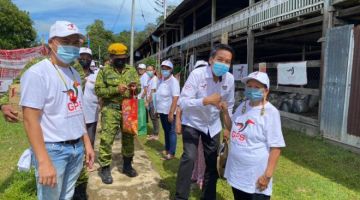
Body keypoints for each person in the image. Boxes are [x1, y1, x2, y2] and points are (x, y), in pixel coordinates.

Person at [19, 21, 95, 200]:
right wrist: (44, 161)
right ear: (51, 43)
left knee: (67, 195)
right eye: (66, 40)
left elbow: (78, 111)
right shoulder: (38, 74)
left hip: (76, 149)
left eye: (76, 42)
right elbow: (30, 120)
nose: (72, 46)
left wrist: (87, 143)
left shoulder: (75, 74)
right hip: (53, 150)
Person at [175, 44, 235, 200]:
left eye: (227, 62)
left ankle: (208, 197)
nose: (224, 64)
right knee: (189, 157)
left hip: (213, 125)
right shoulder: (197, 74)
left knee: (211, 162)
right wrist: (205, 100)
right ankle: (180, 197)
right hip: (193, 122)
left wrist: (227, 127)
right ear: (211, 60)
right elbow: (183, 101)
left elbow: (230, 104)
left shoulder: (229, 79)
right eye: (220, 59)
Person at [221, 71, 285, 200]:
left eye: (257, 87)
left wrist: (267, 176)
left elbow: (276, 147)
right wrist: (225, 113)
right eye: (249, 86)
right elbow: (232, 127)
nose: (251, 90)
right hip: (237, 172)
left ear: (266, 91)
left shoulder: (271, 112)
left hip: (255, 176)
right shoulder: (243, 106)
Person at [95, 42, 140, 184]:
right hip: (111, 108)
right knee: (107, 138)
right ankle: (105, 168)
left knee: (128, 138)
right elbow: (98, 91)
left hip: (129, 107)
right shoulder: (104, 71)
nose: (121, 60)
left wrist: (134, 88)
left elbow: (138, 89)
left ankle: (127, 165)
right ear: (111, 57)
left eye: (123, 57)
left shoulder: (131, 70)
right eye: (118, 57)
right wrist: (115, 90)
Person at [155, 60, 180, 160]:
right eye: (163, 68)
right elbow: (159, 96)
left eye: (167, 69)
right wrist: (157, 109)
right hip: (162, 110)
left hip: (169, 111)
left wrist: (171, 113)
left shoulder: (174, 82)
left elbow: (175, 98)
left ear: (171, 70)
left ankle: (171, 153)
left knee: (171, 132)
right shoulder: (162, 80)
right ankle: (166, 148)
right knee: (166, 130)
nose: (164, 70)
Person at [144, 65, 160, 140]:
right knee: (152, 118)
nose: (149, 72)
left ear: (154, 71)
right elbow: (148, 90)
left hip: (153, 101)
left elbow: (153, 91)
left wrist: (147, 101)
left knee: (154, 118)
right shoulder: (149, 79)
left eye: (150, 70)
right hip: (150, 100)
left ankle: (156, 134)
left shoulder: (154, 79)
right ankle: (154, 133)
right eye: (147, 70)